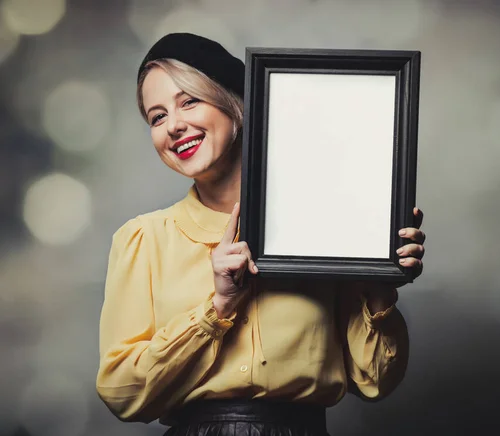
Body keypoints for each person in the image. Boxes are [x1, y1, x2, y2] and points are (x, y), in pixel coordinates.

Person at [96, 33, 426, 436]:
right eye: (157, 116)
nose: (174, 125)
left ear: (234, 103)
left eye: (189, 101)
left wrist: (381, 278)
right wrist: (217, 308)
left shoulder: (328, 224)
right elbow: (121, 393)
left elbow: (374, 380)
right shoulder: (143, 240)